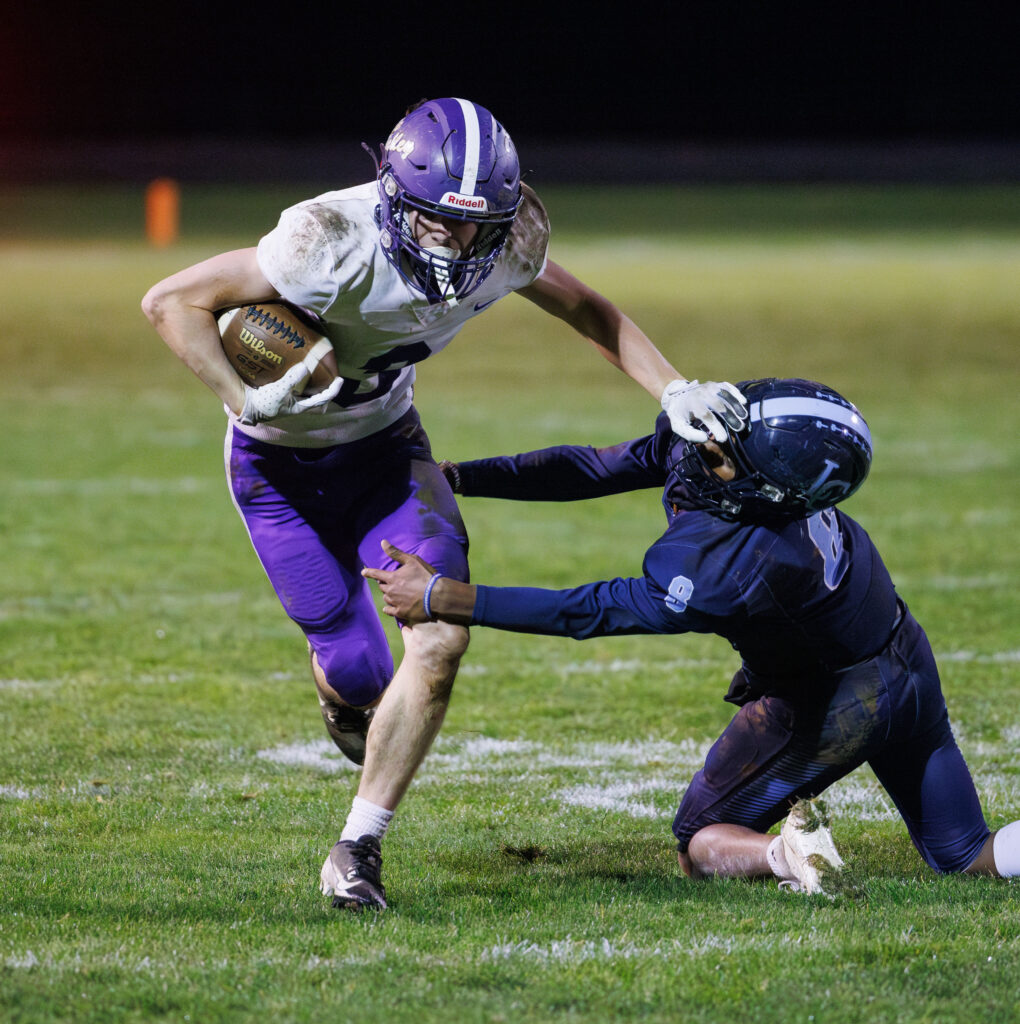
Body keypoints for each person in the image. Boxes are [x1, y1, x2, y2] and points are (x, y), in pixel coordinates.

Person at [141, 97, 749, 911]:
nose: (455, 243)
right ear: (393, 197)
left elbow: (589, 309)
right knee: (357, 673)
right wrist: (243, 398)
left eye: (473, 226)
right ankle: (342, 694)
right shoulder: (327, 240)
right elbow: (168, 301)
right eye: (434, 221)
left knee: (439, 635)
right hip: (276, 472)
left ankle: (356, 849)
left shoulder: (509, 237)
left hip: (389, 454)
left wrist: (673, 387)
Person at [364, 377, 1020, 892]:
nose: (707, 446)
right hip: (905, 653)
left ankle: (788, 855)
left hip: (840, 697)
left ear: (767, 489)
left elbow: (591, 610)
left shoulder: (731, 562)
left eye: (726, 453)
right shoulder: (752, 470)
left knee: (700, 841)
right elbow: (599, 467)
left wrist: (441, 597)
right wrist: (465, 478)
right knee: (965, 856)